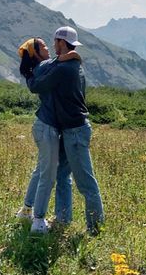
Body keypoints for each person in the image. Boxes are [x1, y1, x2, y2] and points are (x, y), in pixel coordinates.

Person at [26, 26, 105, 235]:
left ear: (61, 43)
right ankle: (62, 220)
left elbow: (37, 86)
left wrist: (27, 71)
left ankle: (95, 230)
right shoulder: (75, 66)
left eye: (55, 42)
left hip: (75, 132)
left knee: (86, 183)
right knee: (62, 175)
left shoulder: (64, 68)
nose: (53, 46)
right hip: (72, 131)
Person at [16, 37, 79, 233]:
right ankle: (38, 221)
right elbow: (56, 62)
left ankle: (26, 210)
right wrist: (73, 55)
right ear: (36, 53)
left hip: (44, 126)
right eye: (43, 46)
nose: (48, 48)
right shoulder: (44, 66)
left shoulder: (39, 68)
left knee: (41, 170)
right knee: (48, 175)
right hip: (47, 127)